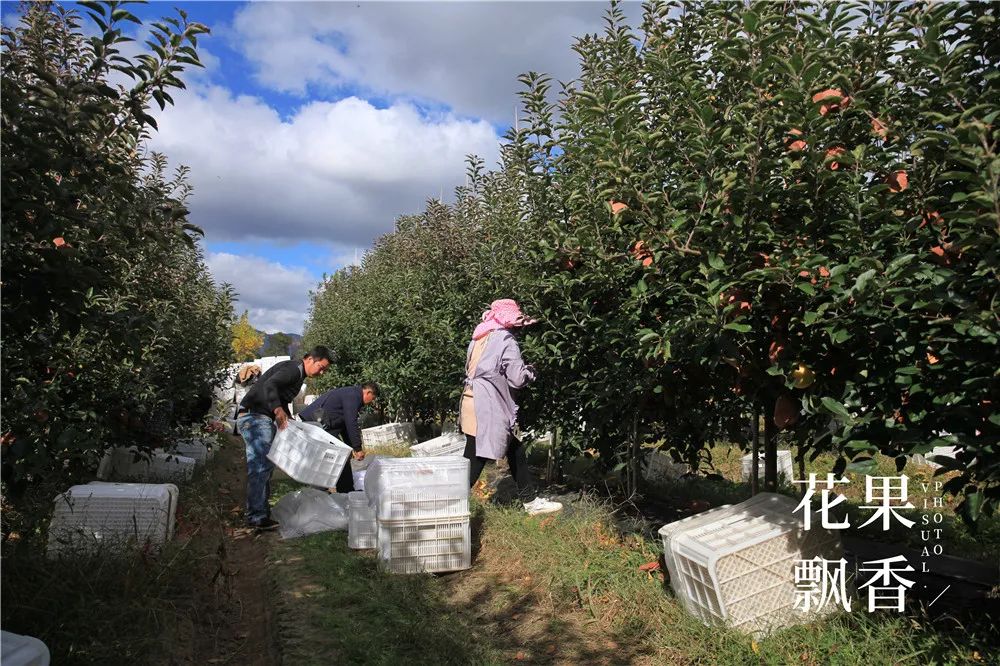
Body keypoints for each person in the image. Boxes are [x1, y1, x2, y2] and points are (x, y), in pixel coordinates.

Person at [459, 299, 562, 516]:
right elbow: (516, 379)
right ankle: (448, 503)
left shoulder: (479, 337)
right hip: (488, 407)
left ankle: (530, 501)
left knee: (514, 450)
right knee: (476, 459)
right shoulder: (506, 340)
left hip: (470, 401)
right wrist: (531, 371)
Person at [236, 346, 334, 530]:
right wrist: (277, 410)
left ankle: (260, 513)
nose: (322, 372)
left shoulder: (298, 374)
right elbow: (270, 385)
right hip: (255, 416)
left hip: (261, 417)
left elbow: (280, 397)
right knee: (260, 466)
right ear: (311, 359)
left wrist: (287, 415)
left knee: (265, 466)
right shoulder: (293, 369)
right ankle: (256, 517)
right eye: (321, 367)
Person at [299, 382, 379, 493]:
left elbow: (344, 425)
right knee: (339, 457)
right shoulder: (354, 396)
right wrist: (357, 448)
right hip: (317, 425)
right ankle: (340, 491)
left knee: (336, 456)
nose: (371, 402)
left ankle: (333, 490)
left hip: (322, 424)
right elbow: (351, 422)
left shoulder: (350, 394)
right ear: (368, 392)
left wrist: (351, 446)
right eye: (372, 398)